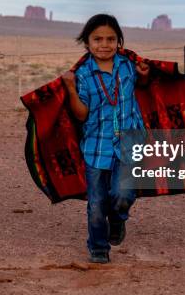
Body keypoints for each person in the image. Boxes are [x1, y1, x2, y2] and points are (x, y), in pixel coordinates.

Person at [62, 13, 149, 264]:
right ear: (87, 42)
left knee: (123, 194)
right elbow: (81, 114)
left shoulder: (128, 65)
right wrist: (69, 89)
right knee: (97, 203)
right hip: (96, 145)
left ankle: (118, 220)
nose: (104, 44)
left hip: (130, 140)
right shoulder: (83, 74)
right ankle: (98, 248)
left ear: (119, 41)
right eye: (97, 39)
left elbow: (143, 87)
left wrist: (143, 76)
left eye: (111, 39)